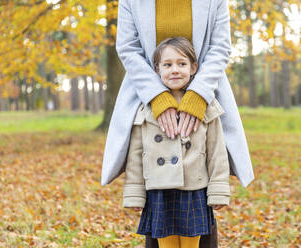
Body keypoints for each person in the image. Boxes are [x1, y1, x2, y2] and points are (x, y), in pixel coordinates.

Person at [101, 0, 255, 246]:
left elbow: (220, 47)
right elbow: (129, 48)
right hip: (147, 96)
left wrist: (198, 95)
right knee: (159, 207)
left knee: (197, 199)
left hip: (204, 93)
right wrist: (157, 97)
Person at [123, 36, 230, 248]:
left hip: (194, 188)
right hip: (159, 191)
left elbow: (217, 151)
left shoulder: (206, 106)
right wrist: (135, 193)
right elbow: (135, 155)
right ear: (157, 70)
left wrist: (219, 189)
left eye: (182, 64)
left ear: (193, 68)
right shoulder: (147, 108)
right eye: (167, 64)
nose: (175, 70)